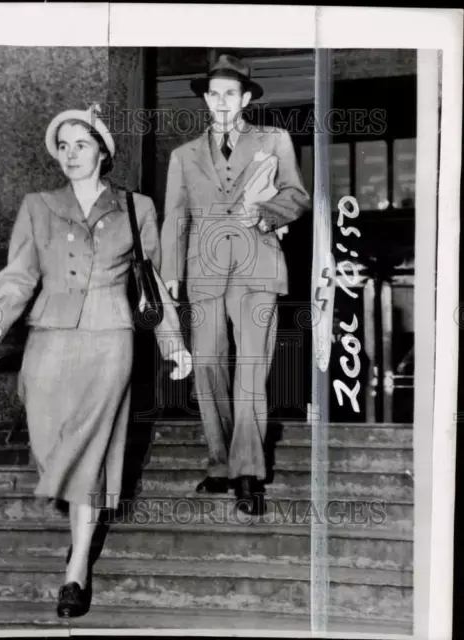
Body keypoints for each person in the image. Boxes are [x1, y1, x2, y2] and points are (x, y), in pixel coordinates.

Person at [0, 104, 192, 618]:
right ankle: (80, 530)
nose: (71, 155)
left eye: (81, 144)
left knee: (93, 448)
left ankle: (77, 570)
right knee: (48, 436)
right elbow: (19, 274)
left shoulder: (136, 208)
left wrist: (172, 342)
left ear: (102, 151)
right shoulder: (38, 205)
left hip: (110, 336)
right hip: (50, 333)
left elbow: (151, 283)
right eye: (63, 146)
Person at [160, 55, 310, 516]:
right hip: (203, 272)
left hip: (256, 268)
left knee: (250, 372)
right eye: (214, 93)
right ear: (206, 100)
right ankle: (221, 461)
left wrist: (264, 214)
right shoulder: (182, 156)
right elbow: (174, 218)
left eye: (231, 93)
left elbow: (297, 197)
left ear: (245, 99)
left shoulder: (274, 141)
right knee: (206, 365)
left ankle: (247, 472)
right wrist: (170, 274)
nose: (222, 101)